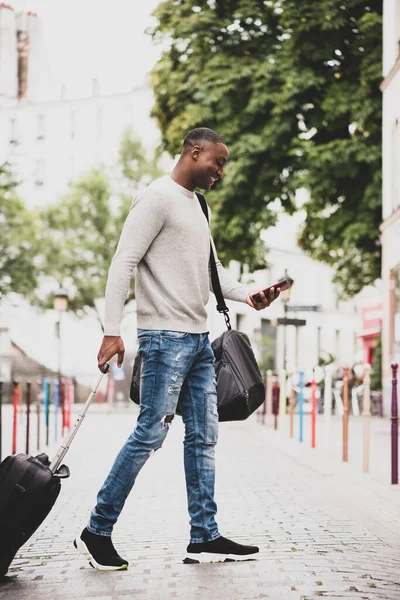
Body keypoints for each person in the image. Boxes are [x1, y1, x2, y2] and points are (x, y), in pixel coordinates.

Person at [74, 127, 280, 570]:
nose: (220, 172)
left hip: (199, 341)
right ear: (194, 151)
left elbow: (214, 271)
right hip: (163, 339)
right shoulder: (156, 198)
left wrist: (251, 295)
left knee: (204, 436)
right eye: (216, 163)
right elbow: (122, 263)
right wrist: (112, 330)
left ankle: (204, 537)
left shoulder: (197, 205)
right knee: (150, 433)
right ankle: (97, 530)